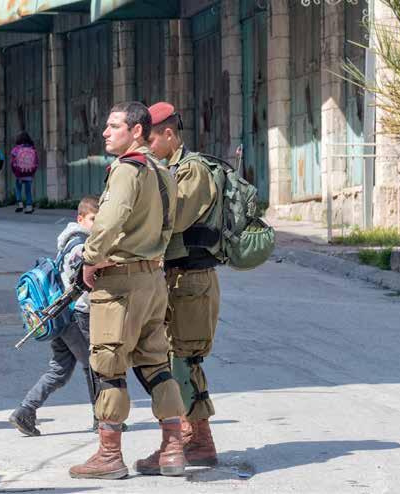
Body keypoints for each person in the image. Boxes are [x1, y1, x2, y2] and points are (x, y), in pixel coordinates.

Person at [68, 102, 186, 480]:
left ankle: (108, 455)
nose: (105, 132)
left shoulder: (127, 168)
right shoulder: (162, 170)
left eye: (113, 125)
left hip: (120, 283)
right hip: (153, 279)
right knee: (156, 365)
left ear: (136, 131)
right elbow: (170, 223)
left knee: (109, 367)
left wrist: (90, 258)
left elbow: (110, 219)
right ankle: (172, 449)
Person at [147, 102, 221, 467]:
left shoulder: (192, 171)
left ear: (169, 134)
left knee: (184, 358)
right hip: (177, 278)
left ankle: (199, 440)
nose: (148, 147)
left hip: (192, 278)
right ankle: (195, 438)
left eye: (151, 139)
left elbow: (174, 218)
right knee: (177, 357)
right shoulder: (170, 168)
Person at [9, 196, 102, 436]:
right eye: (93, 218)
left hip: (60, 316)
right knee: (95, 366)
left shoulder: (68, 240)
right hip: (76, 315)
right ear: (80, 218)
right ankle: (102, 419)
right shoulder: (80, 244)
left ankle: (25, 411)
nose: (96, 223)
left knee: (59, 369)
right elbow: (85, 272)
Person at [10, 131, 39, 214]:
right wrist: (33, 172)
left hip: (19, 173)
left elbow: (12, 162)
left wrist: (15, 172)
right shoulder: (32, 149)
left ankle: (20, 204)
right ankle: (29, 207)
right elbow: (36, 162)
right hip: (29, 173)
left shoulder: (16, 149)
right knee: (28, 190)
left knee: (18, 188)